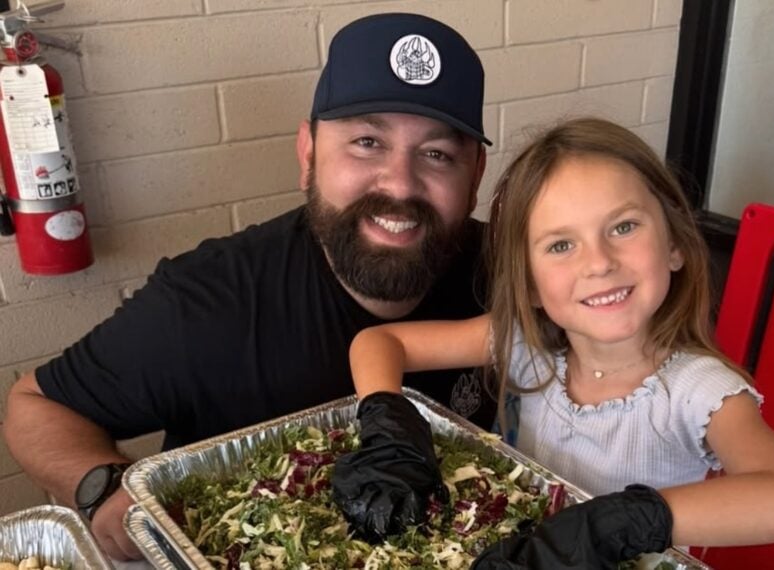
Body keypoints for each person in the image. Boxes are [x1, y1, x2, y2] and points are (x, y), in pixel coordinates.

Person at [2, 13, 496, 561]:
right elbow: (33, 407)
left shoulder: (517, 276)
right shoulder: (209, 301)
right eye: (366, 141)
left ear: (474, 176)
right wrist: (104, 489)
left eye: (437, 154)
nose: (401, 184)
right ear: (308, 155)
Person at [332, 118, 774, 567]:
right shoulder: (525, 343)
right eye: (561, 245)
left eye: (623, 227)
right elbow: (381, 341)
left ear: (674, 244)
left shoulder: (699, 391)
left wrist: (619, 521)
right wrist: (387, 427)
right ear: (528, 283)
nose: (598, 262)